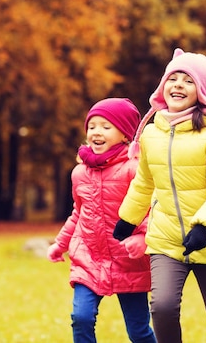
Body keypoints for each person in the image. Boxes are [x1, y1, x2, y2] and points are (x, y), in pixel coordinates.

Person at [113, 48, 206, 343]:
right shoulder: (151, 134)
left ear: (201, 92)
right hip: (165, 239)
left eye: (188, 81)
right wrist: (128, 219)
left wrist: (204, 226)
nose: (178, 85)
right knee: (162, 308)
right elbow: (144, 182)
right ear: (163, 86)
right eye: (173, 78)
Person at [47, 97, 156, 343]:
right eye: (92, 126)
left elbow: (151, 209)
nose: (97, 132)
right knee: (81, 317)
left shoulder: (134, 169)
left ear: (126, 135)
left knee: (138, 331)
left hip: (129, 261)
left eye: (106, 127)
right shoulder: (79, 173)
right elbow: (78, 213)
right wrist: (60, 244)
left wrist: (142, 237)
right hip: (89, 259)